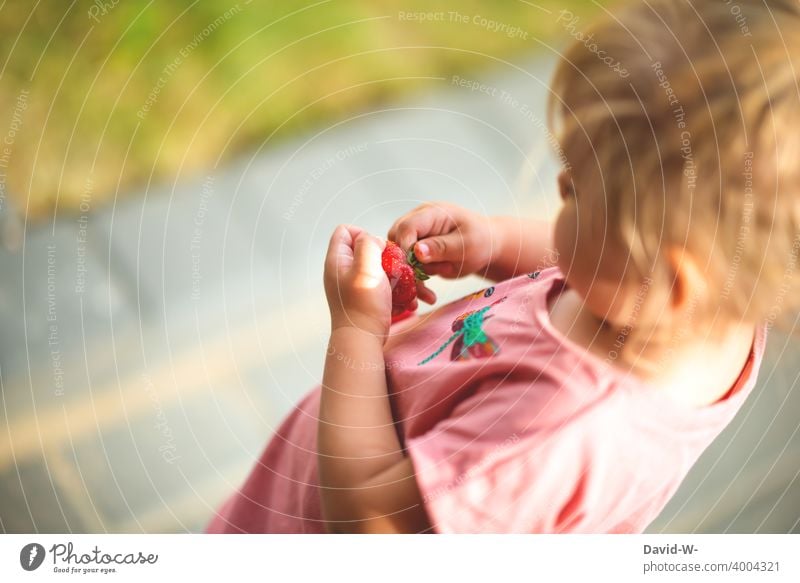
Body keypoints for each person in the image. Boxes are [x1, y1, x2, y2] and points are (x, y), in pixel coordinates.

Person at [207, 0, 800, 533]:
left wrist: (355, 335)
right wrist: (491, 243)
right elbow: (586, 272)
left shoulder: (551, 433)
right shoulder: (697, 313)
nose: (562, 182)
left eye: (580, 194)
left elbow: (373, 523)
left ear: (672, 282)